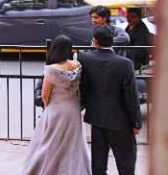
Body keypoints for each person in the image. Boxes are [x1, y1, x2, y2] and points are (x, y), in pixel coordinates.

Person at [21, 35, 90, 175]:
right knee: (73, 142)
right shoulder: (77, 65)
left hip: (56, 109)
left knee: (50, 141)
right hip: (73, 108)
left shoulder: (51, 69)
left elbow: (45, 95)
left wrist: (48, 107)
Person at [79, 25, 142, 175]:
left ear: (95, 41)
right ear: (112, 41)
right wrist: (136, 121)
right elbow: (131, 95)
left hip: (96, 118)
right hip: (121, 121)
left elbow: (83, 88)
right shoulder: (125, 64)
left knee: (98, 164)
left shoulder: (85, 59)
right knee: (126, 163)